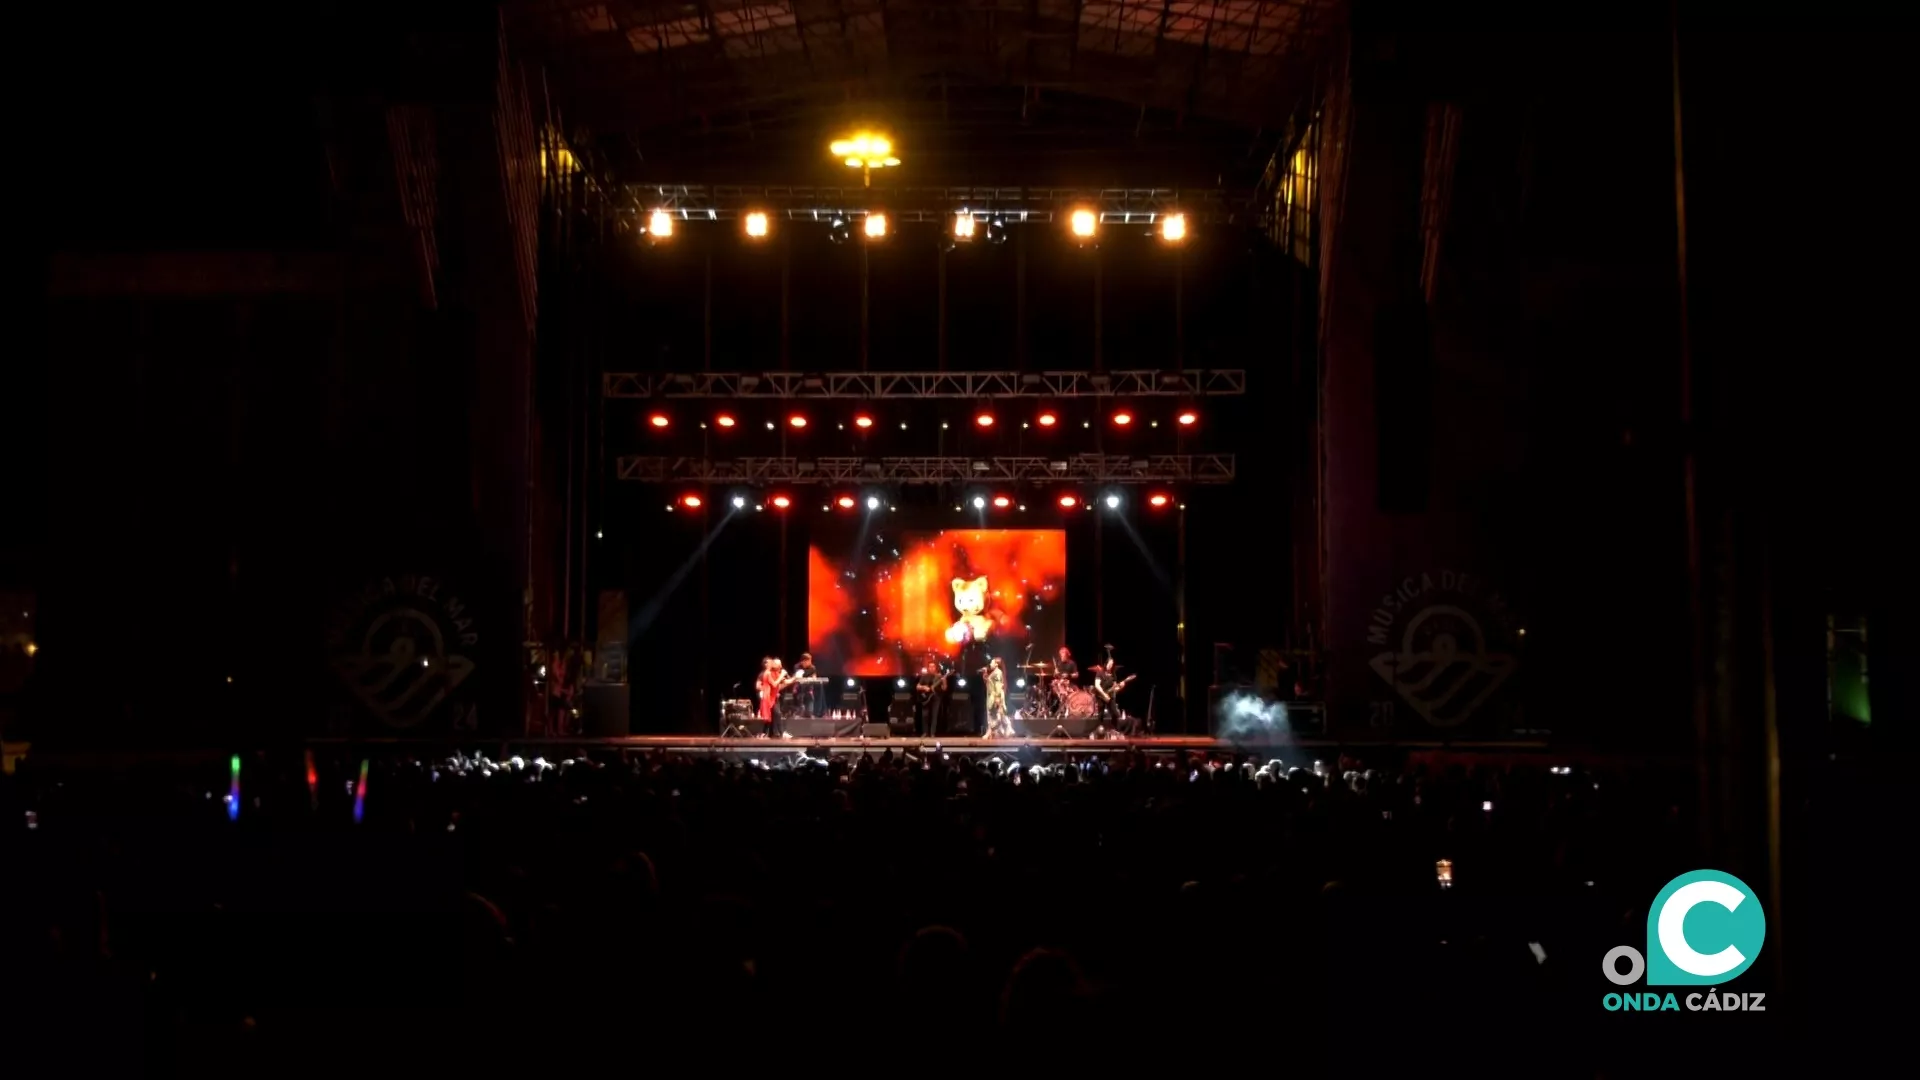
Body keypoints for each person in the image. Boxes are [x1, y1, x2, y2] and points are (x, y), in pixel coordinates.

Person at [915, 661, 945, 737]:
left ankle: (932, 733)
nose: (932, 668)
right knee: (925, 715)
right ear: (928, 668)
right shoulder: (924, 676)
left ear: (936, 668)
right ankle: (925, 732)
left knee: (934, 716)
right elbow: (917, 686)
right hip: (926, 698)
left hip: (936, 697)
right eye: (930, 667)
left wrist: (944, 681)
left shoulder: (939, 676)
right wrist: (924, 687)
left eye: (933, 667)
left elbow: (944, 688)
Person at [983, 657, 1011, 737]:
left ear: (996, 664)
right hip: (991, 694)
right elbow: (988, 682)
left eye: (992, 662)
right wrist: (985, 674)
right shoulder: (994, 673)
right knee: (994, 713)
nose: (990, 664)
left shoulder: (997, 673)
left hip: (995, 695)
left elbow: (998, 685)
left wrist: (997, 697)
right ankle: (1003, 728)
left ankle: (993, 729)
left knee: (995, 713)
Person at [791, 652, 819, 717]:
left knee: (809, 707)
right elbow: (796, 677)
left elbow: (814, 677)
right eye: (808, 661)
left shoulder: (812, 667)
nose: (810, 662)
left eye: (810, 661)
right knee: (799, 702)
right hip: (799, 688)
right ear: (803, 661)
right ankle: (798, 712)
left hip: (808, 688)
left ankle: (809, 712)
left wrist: (813, 678)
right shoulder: (797, 666)